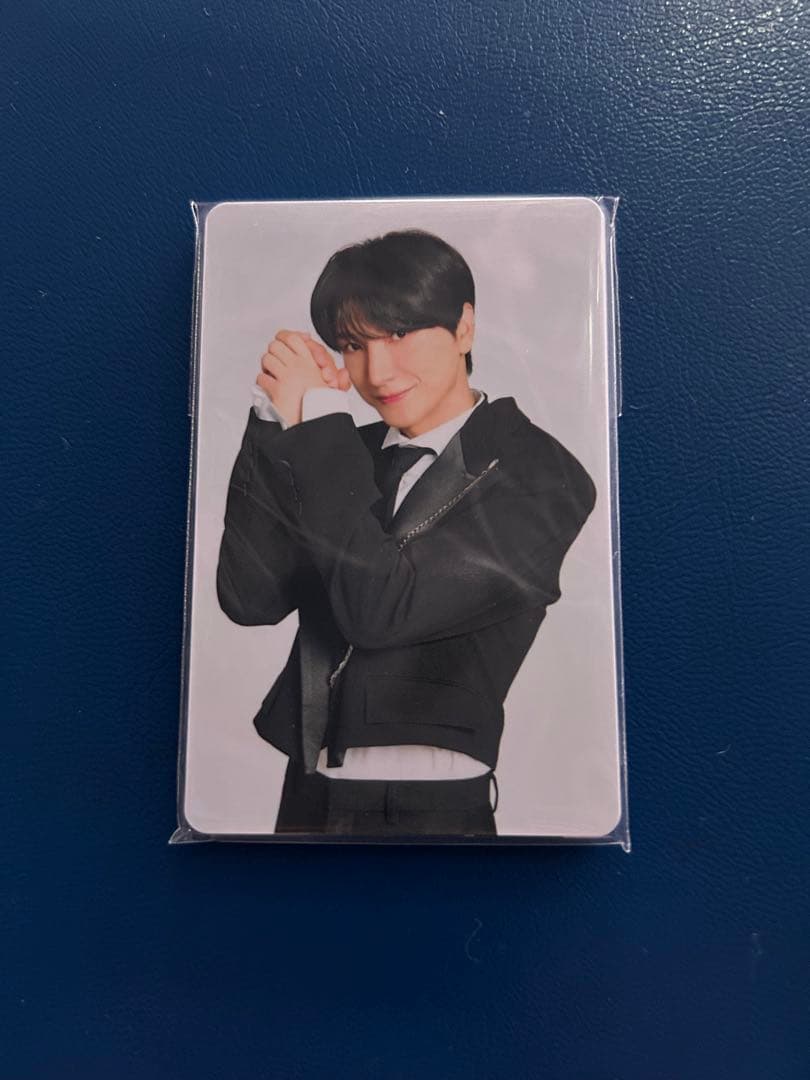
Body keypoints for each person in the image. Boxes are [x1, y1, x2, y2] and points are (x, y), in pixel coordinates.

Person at [216, 229, 595, 837]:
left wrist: (318, 427)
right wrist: (272, 419)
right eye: (353, 345)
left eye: (398, 334)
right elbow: (249, 598)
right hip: (305, 793)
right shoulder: (341, 453)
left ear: (464, 328)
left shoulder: (542, 474)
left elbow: (381, 611)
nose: (377, 370)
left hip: (430, 806)